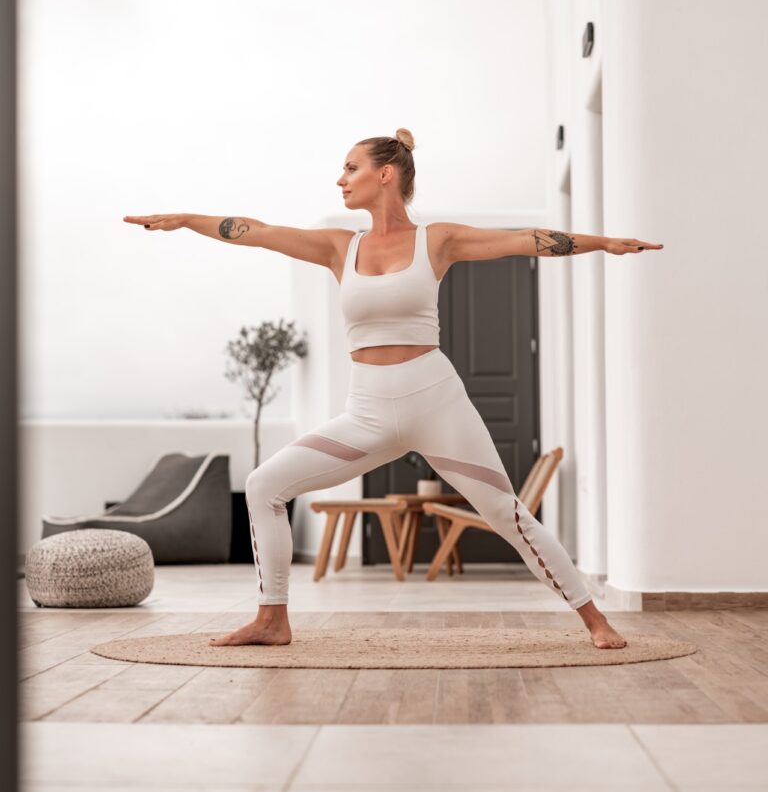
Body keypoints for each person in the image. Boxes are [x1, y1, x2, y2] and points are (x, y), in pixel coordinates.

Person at [124, 128, 663, 651]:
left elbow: (527, 240)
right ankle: (272, 620)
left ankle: (593, 618)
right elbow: (259, 230)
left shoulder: (439, 240)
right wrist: (189, 220)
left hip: (435, 400)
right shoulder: (340, 247)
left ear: (386, 174)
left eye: (350, 167)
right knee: (265, 485)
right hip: (368, 412)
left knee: (506, 513)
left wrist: (604, 244)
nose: (340, 179)